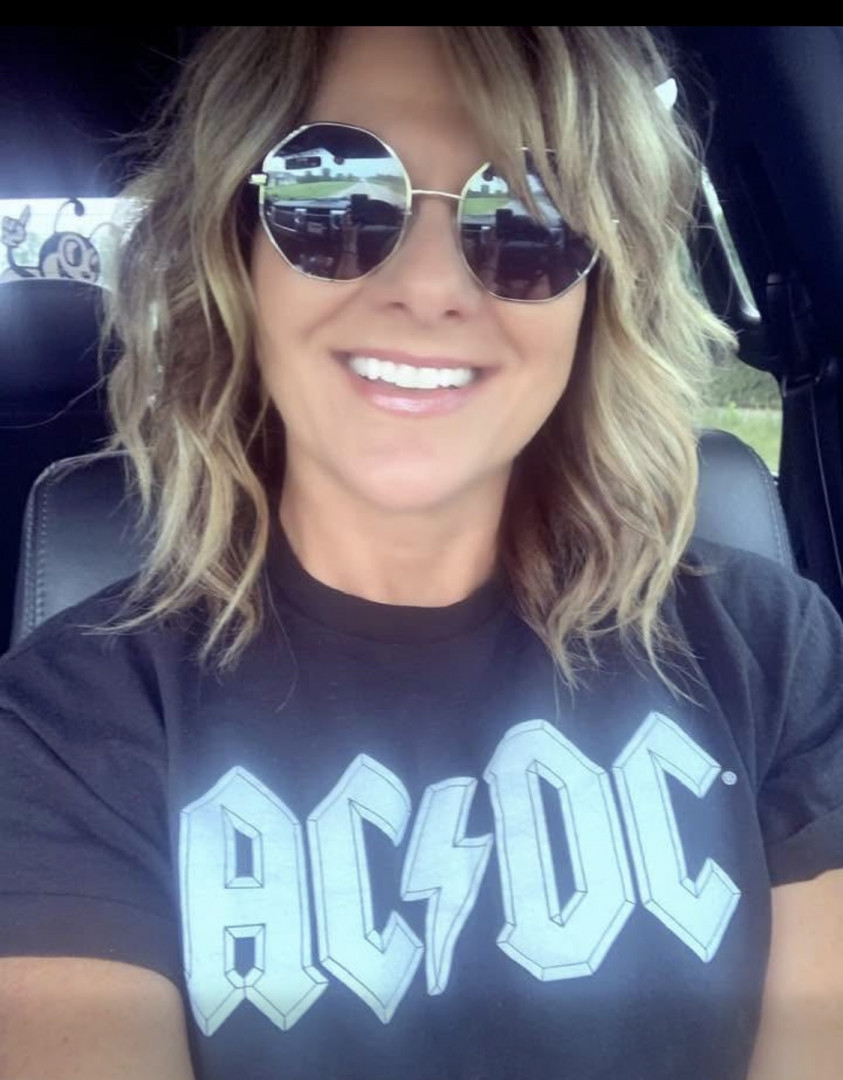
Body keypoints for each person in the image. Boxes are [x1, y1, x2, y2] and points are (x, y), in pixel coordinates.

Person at [0, 25, 841, 1080]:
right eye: (336, 192)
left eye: (528, 215)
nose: (431, 285)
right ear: (237, 252)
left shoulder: (776, 649)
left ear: (598, 291)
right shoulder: (67, 726)